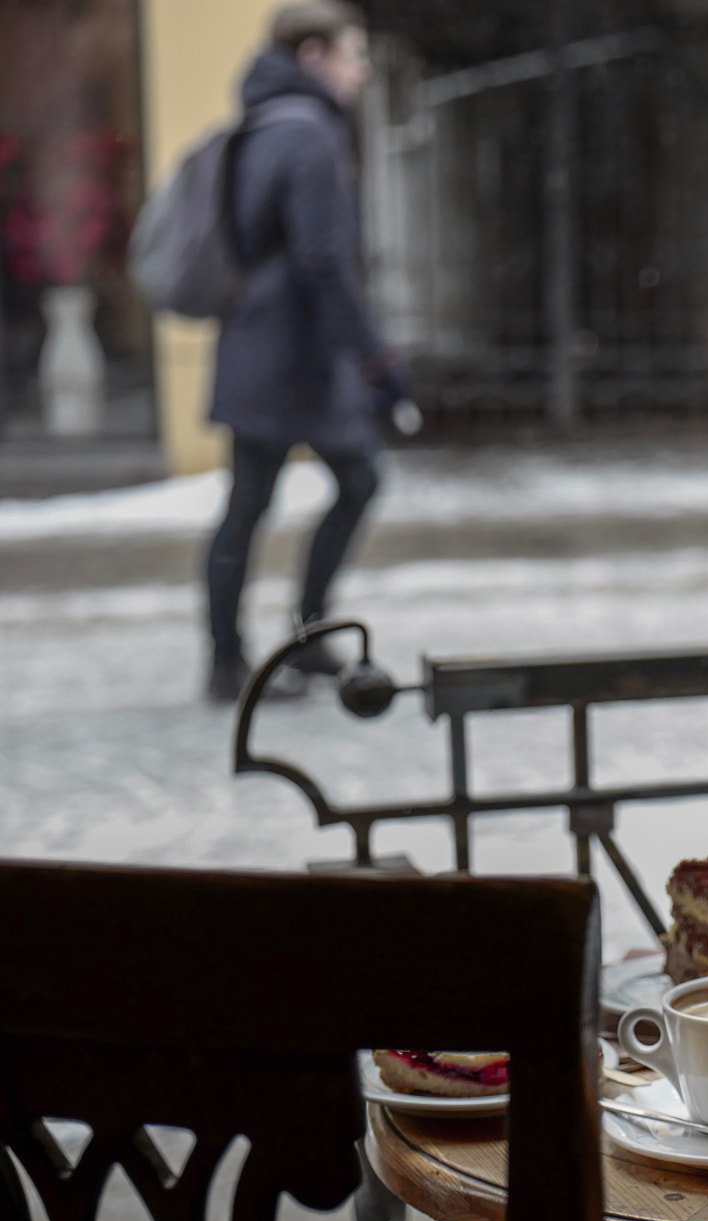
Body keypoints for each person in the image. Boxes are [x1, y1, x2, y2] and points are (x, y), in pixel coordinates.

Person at [203, 1, 404, 702]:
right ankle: (294, 638)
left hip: (254, 340)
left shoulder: (258, 122)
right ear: (313, 55)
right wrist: (377, 360)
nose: (364, 69)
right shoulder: (312, 133)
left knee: (249, 502)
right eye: (354, 54)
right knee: (356, 480)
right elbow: (326, 260)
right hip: (296, 352)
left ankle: (235, 657)